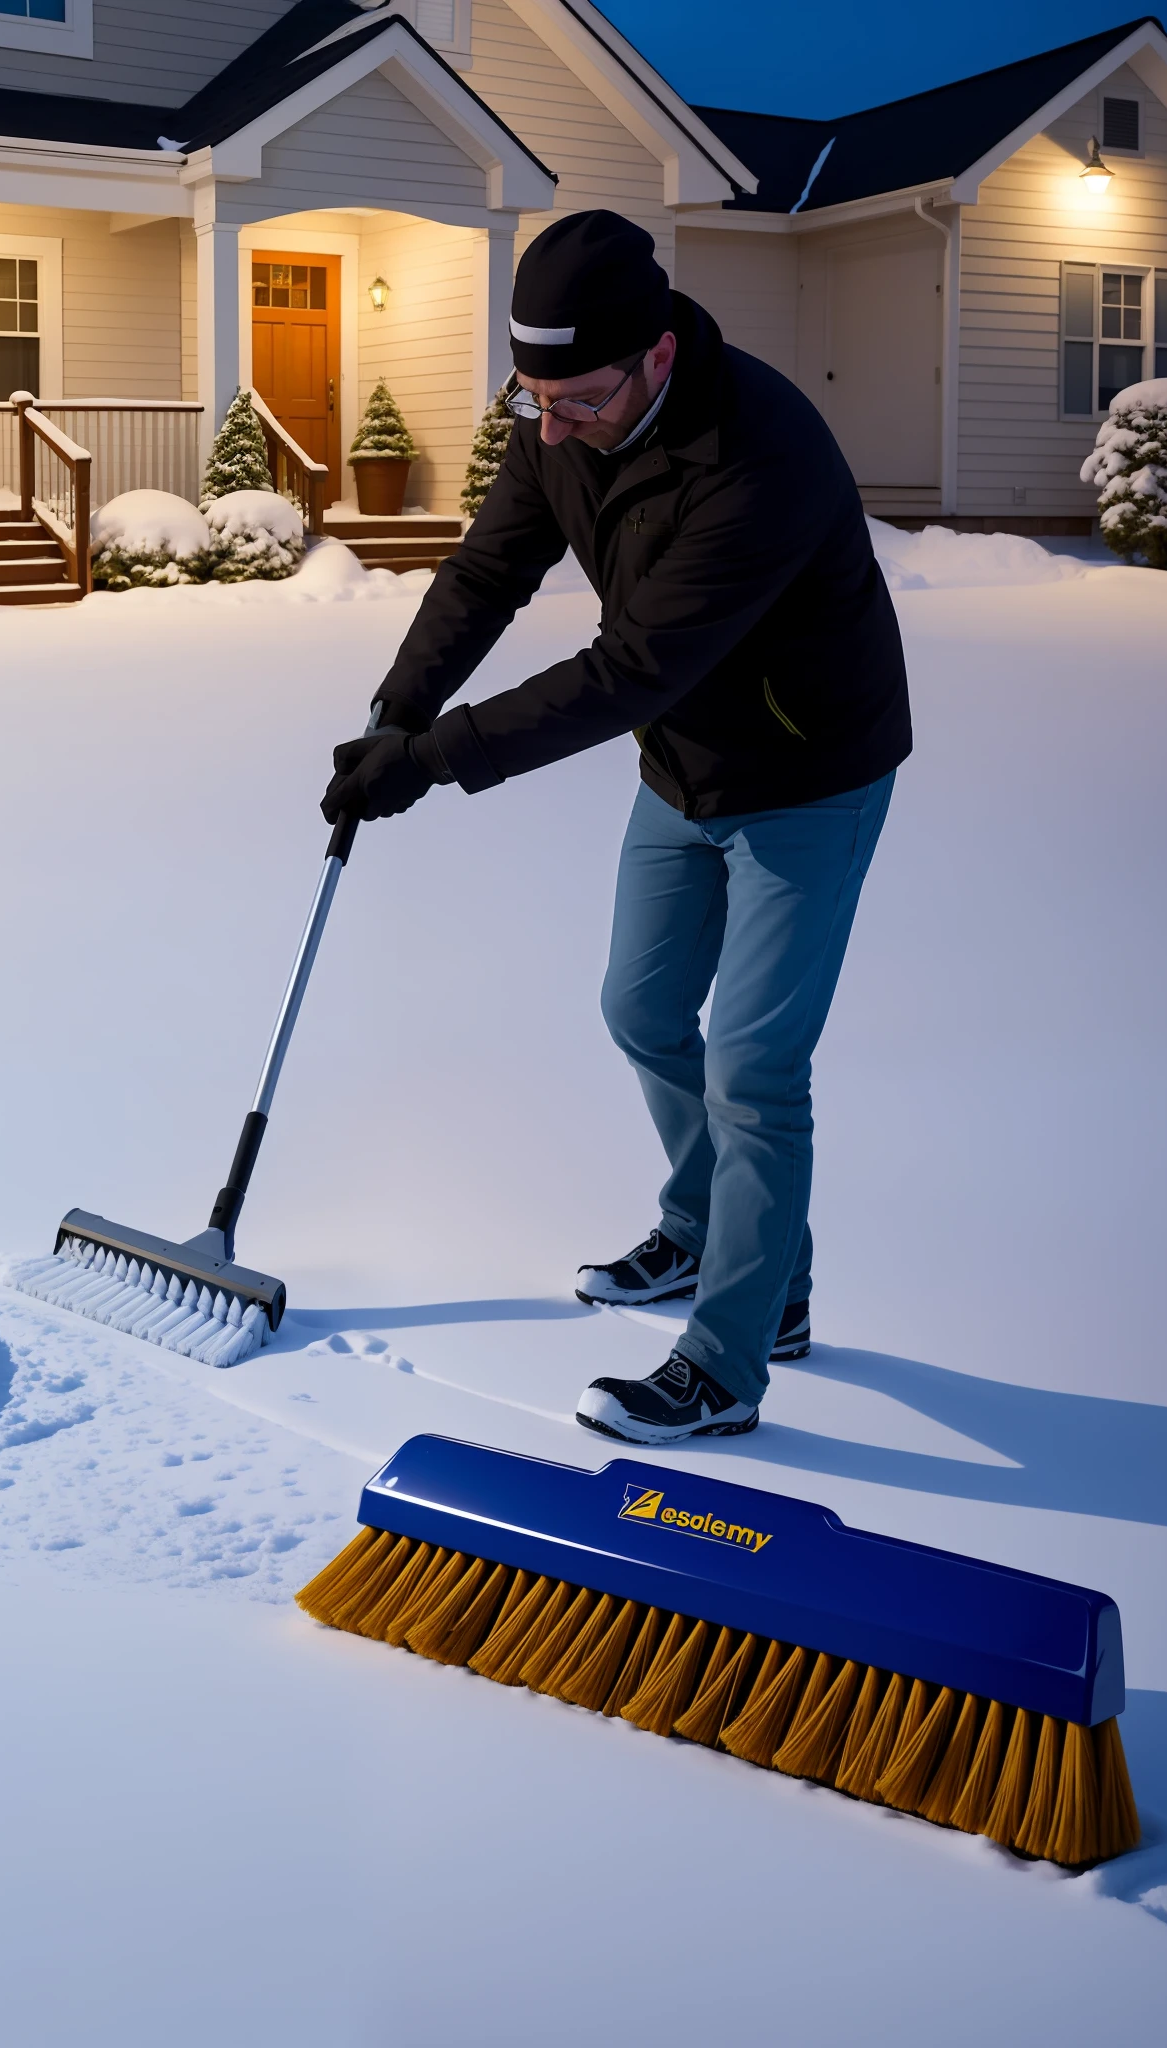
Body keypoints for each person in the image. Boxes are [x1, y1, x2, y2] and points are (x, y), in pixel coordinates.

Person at [321, 209, 910, 1445]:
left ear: (653, 358)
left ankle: (734, 1352)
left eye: (578, 400)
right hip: (681, 766)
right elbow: (486, 571)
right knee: (638, 1009)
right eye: (531, 399)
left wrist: (431, 762)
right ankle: (710, 1235)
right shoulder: (557, 419)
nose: (552, 427)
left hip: (805, 778)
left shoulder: (761, 454)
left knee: (753, 1067)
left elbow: (631, 666)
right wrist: (395, 712)